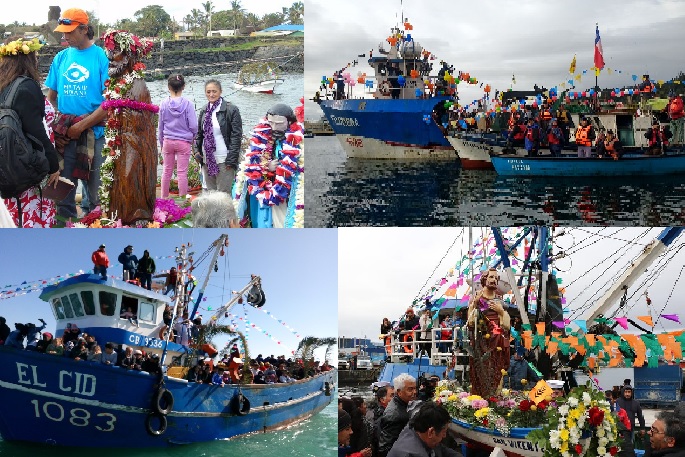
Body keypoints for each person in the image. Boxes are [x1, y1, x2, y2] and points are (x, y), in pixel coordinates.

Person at [46, 8, 109, 219]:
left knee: (96, 191)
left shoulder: (101, 57)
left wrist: (81, 126)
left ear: (84, 29)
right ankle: (66, 226)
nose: (64, 36)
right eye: (63, 32)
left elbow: (110, 101)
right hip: (65, 136)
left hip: (94, 135)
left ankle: (95, 226)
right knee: (63, 191)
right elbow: (51, 96)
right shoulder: (61, 57)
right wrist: (59, 123)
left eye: (69, 32)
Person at [0, 37, 60, 227]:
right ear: (28, 58)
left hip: (6, 166)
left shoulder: (3, 84)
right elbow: (38, 133)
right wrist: (53, 166)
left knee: (11, 215)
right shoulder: (26, 86)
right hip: (27, 167)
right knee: (31, 215)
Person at [234, 103, 304, 228]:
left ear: (289, 122)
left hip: (287, 192)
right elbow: (253, 164)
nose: (274, 127)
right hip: (264, 188)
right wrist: (266, 167)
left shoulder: (299, 141)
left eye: (279, 124)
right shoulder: (263, 136)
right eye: (271, 123)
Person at [467, 268, 511, 397]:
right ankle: (480, 397)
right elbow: (470, 322)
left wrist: (501, 311)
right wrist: (474, 305)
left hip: (497, 342)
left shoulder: (500, 302)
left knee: (496, 368)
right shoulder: (477, 299)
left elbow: (507, 325)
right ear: (484, 279)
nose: (494, 280)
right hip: (482, 341)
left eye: (496, 278)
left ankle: (494, 396)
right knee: (480, 369)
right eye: (491, 277)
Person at [195, 79, 242, 195]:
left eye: (214, 91)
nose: (211, 94)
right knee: (211, 194)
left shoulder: (231, 110)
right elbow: (199, 134)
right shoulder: (204, 110)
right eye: (208, 91)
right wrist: (196, 151)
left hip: (224, 159)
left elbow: (236, 135)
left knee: (223, 195)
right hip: (208, 160)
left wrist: (231, 160)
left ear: (220, 91)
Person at [158, 73, 198, 199]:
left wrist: (161, 142)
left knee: (166, 171)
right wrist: (193, 139)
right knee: (182, 173)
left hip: (168, 141)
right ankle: (182, 200)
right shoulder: (188, 104)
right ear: (183, 86)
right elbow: (193, 126)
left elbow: (160, 126)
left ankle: (164, 198)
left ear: (169, 87)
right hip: (184, 142)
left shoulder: (163, 104)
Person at [387, 402, 460, 457]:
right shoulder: (413, 453)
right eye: (444, 432)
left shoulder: (416, 429)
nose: (444, 436)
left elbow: (441, 449)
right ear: (431, 432)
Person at [378, 373, 417, 457]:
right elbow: (385, 447)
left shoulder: (403, 404)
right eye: (410, 389)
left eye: (415, 388)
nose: (415, 392)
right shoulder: (394, 415)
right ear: (399, 392)